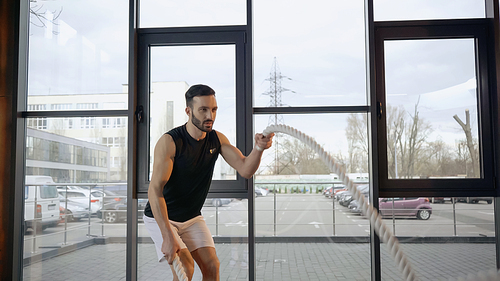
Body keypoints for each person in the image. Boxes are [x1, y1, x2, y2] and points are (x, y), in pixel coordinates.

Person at [143, 84, 274, 281]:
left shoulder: (216, 139)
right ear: (188, 111)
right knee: (186, 268)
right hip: (162, 217)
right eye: (203, 109)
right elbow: (155, 190)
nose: (209, 115)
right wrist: (168, 236)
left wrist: (259, 148)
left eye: (213, 109)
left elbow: (246, 169)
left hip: (192, 217)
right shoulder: (170, 142)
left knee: (212, 266)